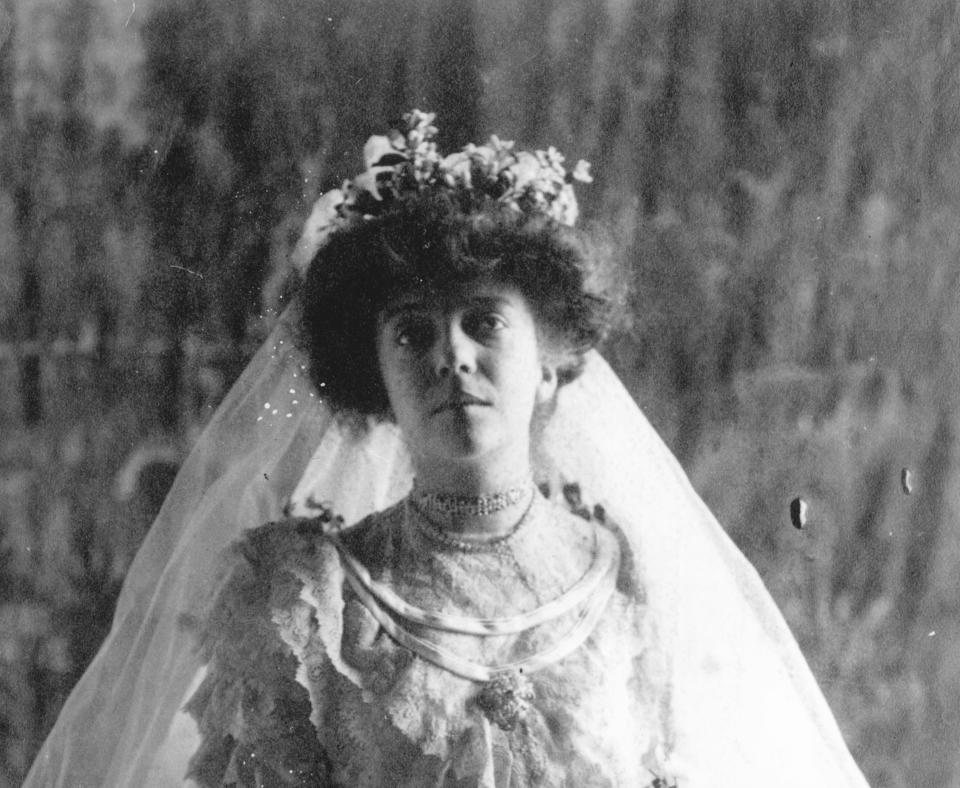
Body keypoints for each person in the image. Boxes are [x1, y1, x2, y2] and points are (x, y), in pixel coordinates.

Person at [24, 112, 871, 787]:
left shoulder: (625, 586)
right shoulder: (309, 605)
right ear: (376, 379)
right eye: (413, 332)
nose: (451, 356)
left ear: (550, 365)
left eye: (485, 322)